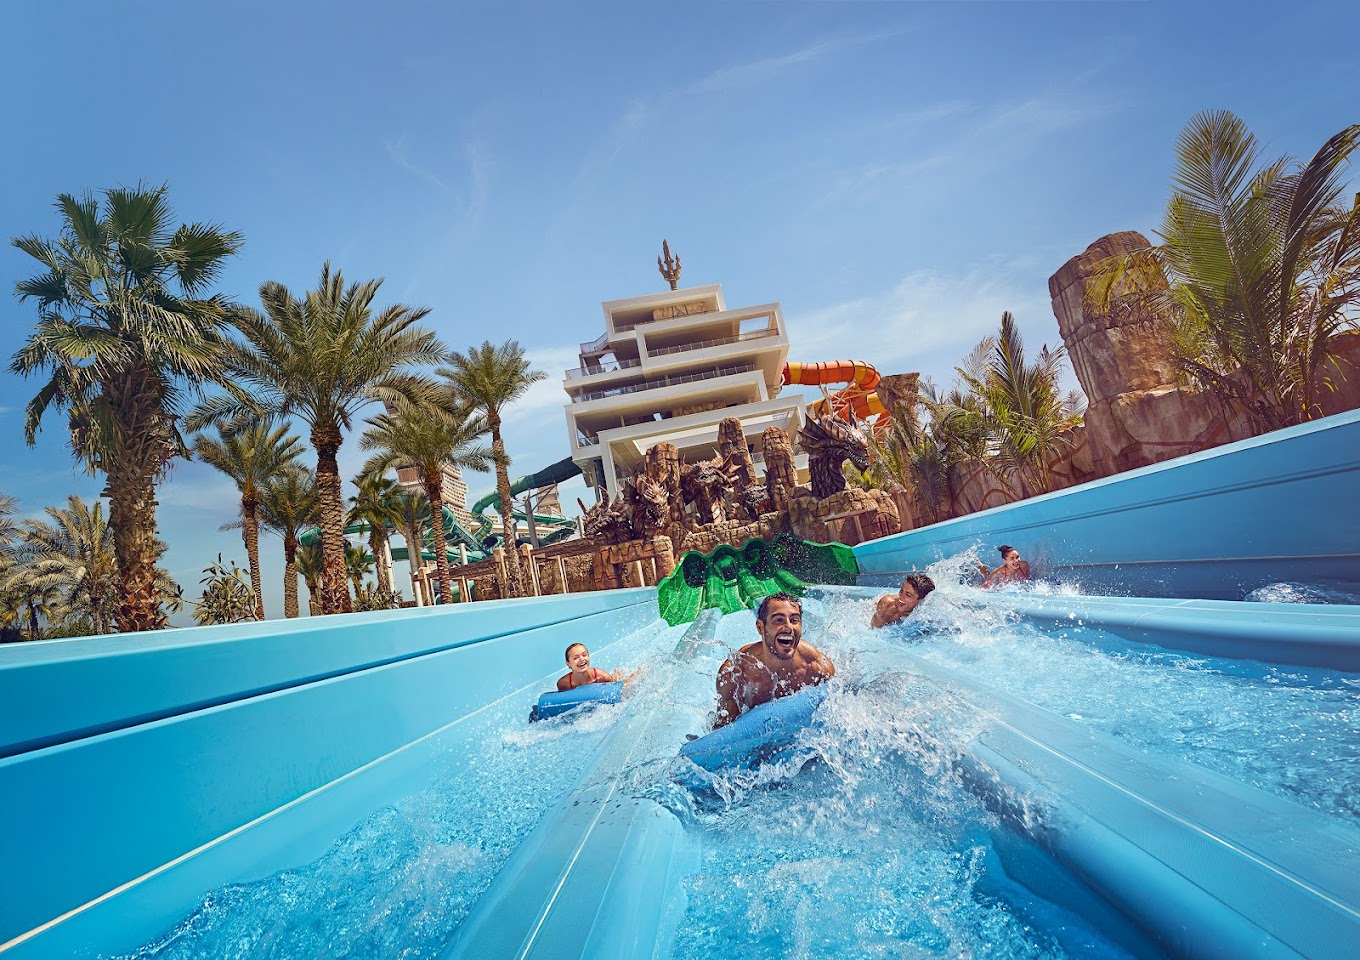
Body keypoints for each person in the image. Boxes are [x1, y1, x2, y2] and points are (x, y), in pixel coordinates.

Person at [713, 592, 835, 729]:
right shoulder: (736, 673)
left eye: (794, 620)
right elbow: (723, 730)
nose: (789, 627)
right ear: (760, 627)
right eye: (779, 620)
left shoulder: (817, 666)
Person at [556, 642, 629, 692]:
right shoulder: (564, 684)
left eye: (584, 655)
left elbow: (618, 688)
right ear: (568, 664)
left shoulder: (601, 676)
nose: (582, 659)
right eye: (576, 658)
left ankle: (618, 672)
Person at [871, 573, 936, 629]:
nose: (901, 596)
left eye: (908, 595)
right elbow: (873, 629)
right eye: (901, 590)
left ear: (920, 600)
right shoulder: (887, 606)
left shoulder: (927, 614)